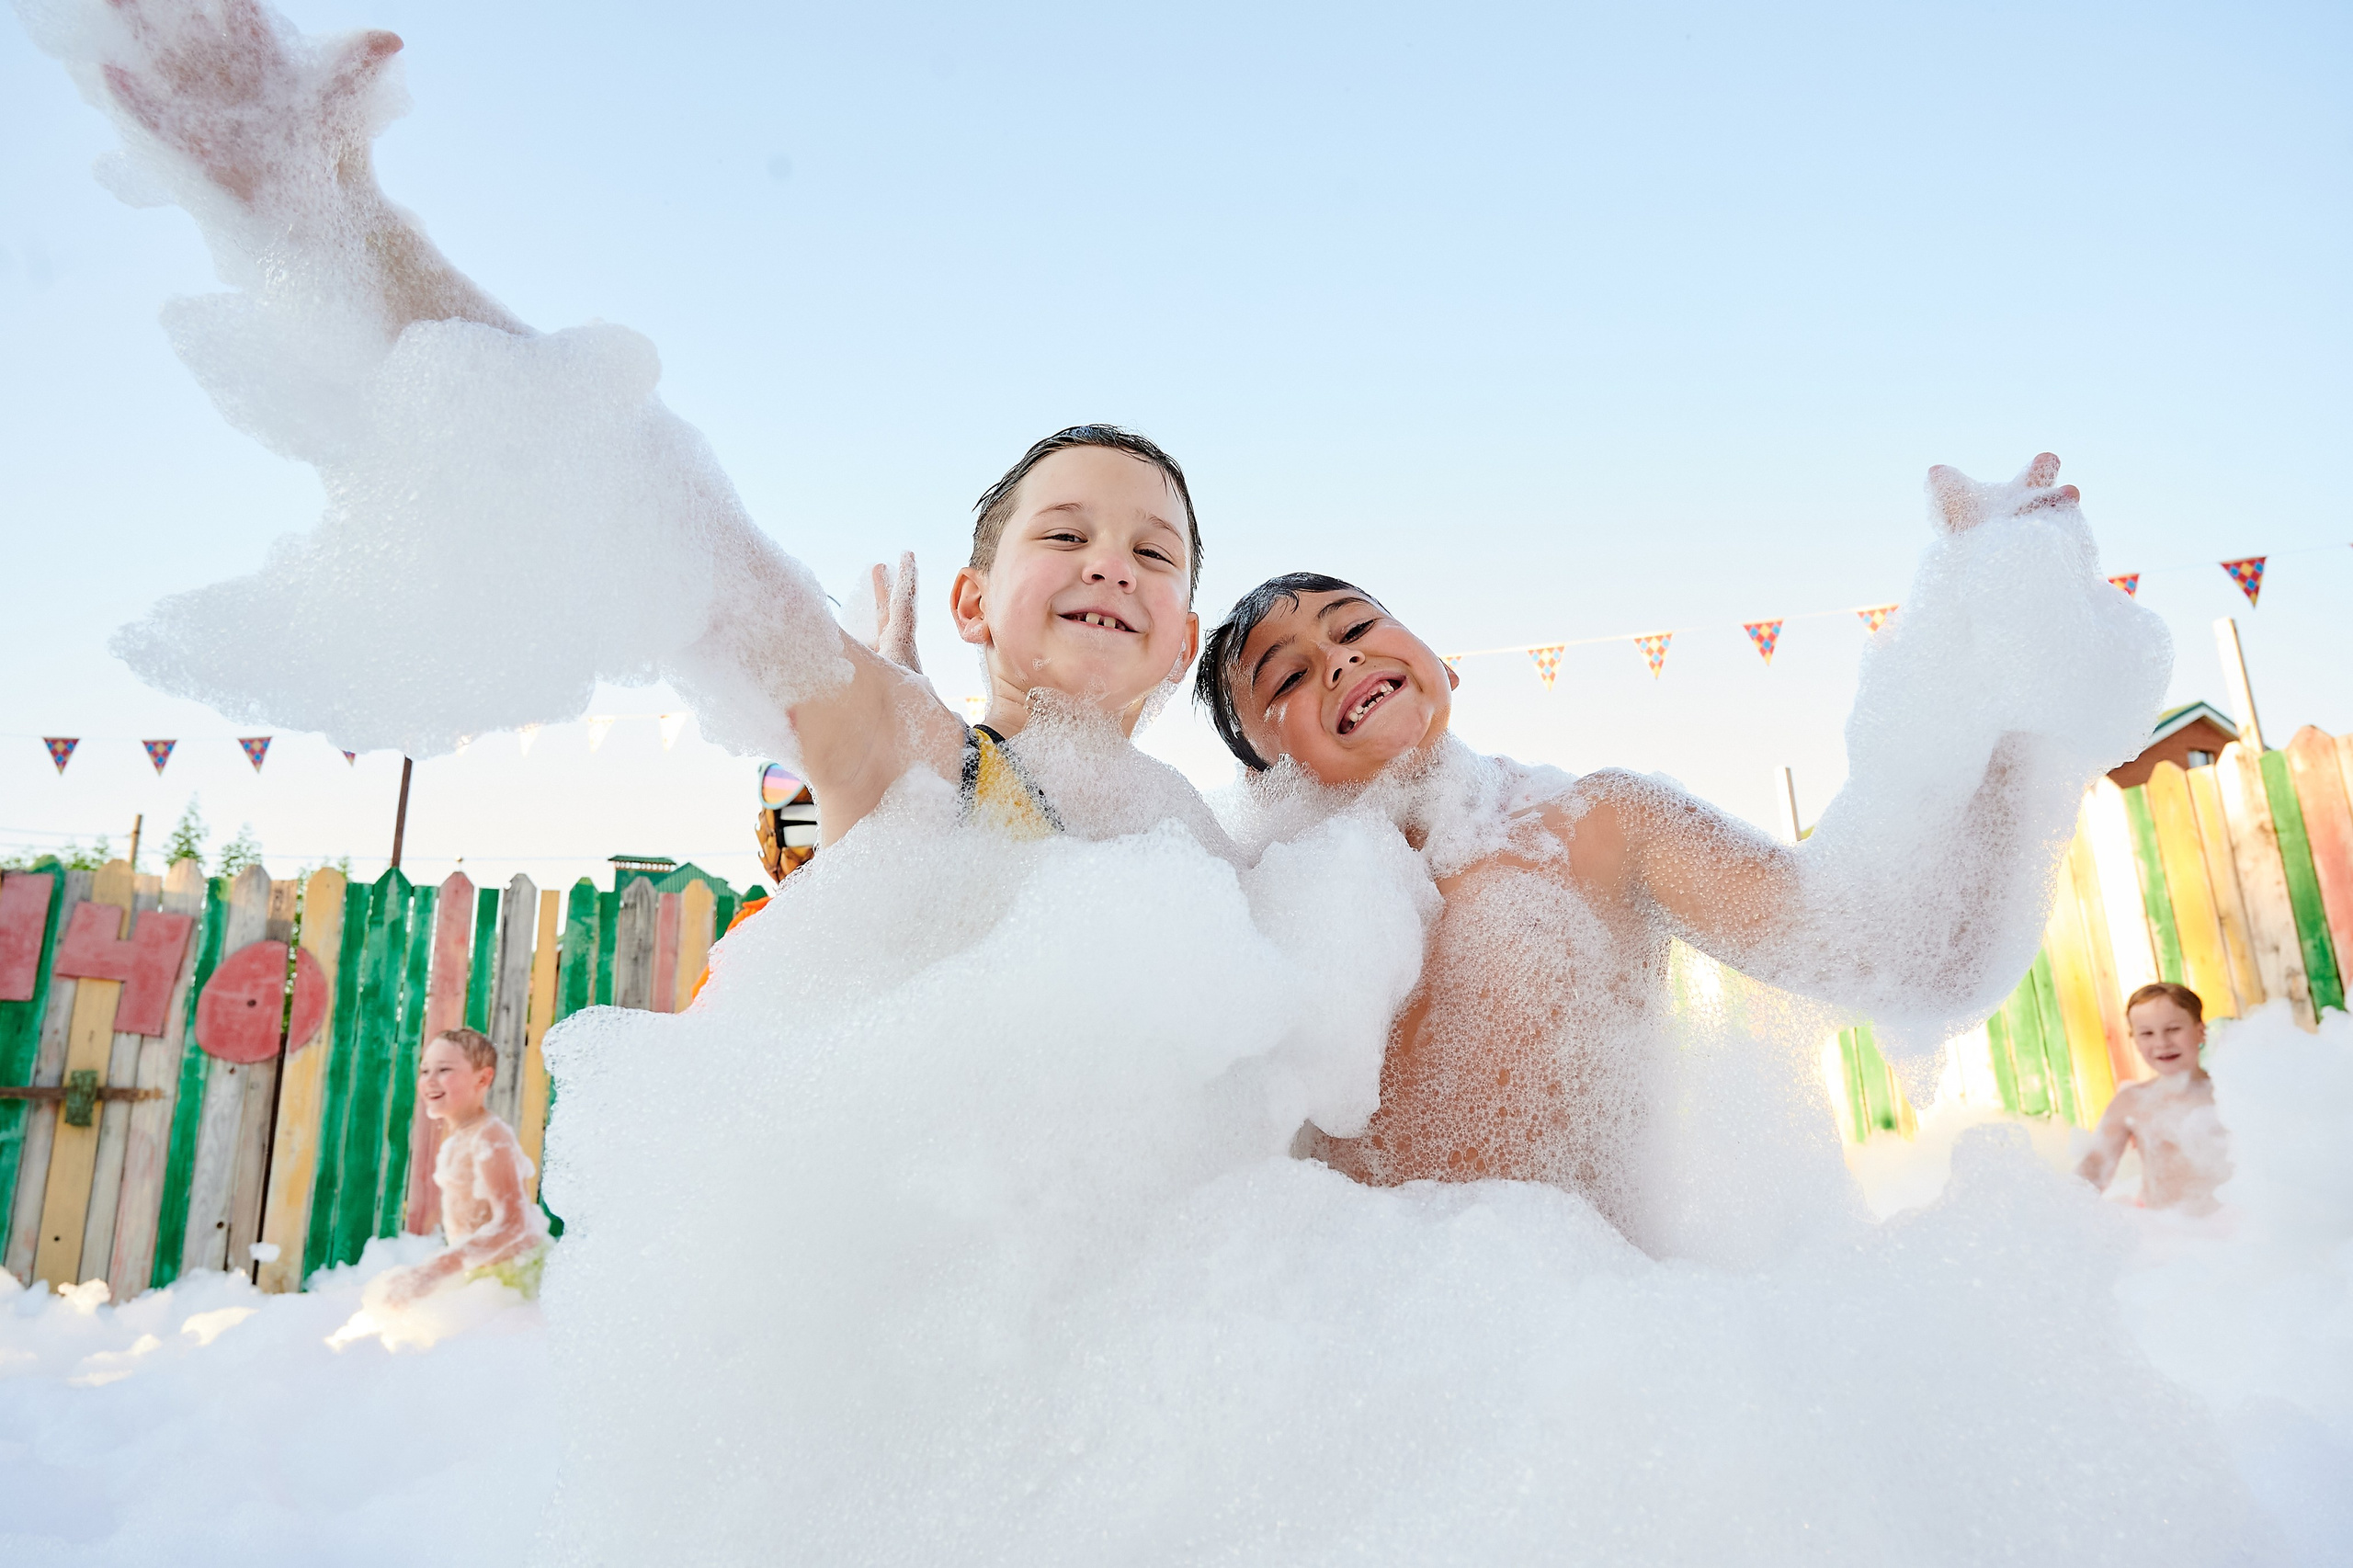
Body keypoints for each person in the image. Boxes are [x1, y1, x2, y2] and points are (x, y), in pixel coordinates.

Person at [71, 0, 1221, 857]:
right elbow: (653, 505)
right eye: (1064, 536)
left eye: (1152, 551)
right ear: (971, 603)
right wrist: (332, 213)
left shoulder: (1220, 856)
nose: (1109, 562)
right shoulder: (935, 774)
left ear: (1184, 637)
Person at [1190, 456, 2168, 1233]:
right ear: (1261, 770)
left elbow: (1916, 950)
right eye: (1286, 675)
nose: (1341, 658)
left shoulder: (1599, 828)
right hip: (1347, 1338)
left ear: (1439, 662)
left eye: (1356, 625)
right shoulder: (1253, 905)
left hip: (1585, 1345)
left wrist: (1997, 658)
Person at [376, 1028, 551, 1306]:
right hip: (481, 1269)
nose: (430, 1080)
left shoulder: (491, 1136)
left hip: (514, 1273)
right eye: (424, 1071)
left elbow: (513, 1223)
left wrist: (434, 1270)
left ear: (482, 1078)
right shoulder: (462, 1136)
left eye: (444, 1069)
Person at [2075, 983, 2231, 1215]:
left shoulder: (2226, 1094)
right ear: (2135, 1040)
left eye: (2173, 1029)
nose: (2162, 1042)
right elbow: (2093, 1171)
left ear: (2201, 1031)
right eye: (2147, 1033)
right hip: (2160, 1227)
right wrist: (2066, 1211)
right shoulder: (2132, 1101)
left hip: (2224, 1228)